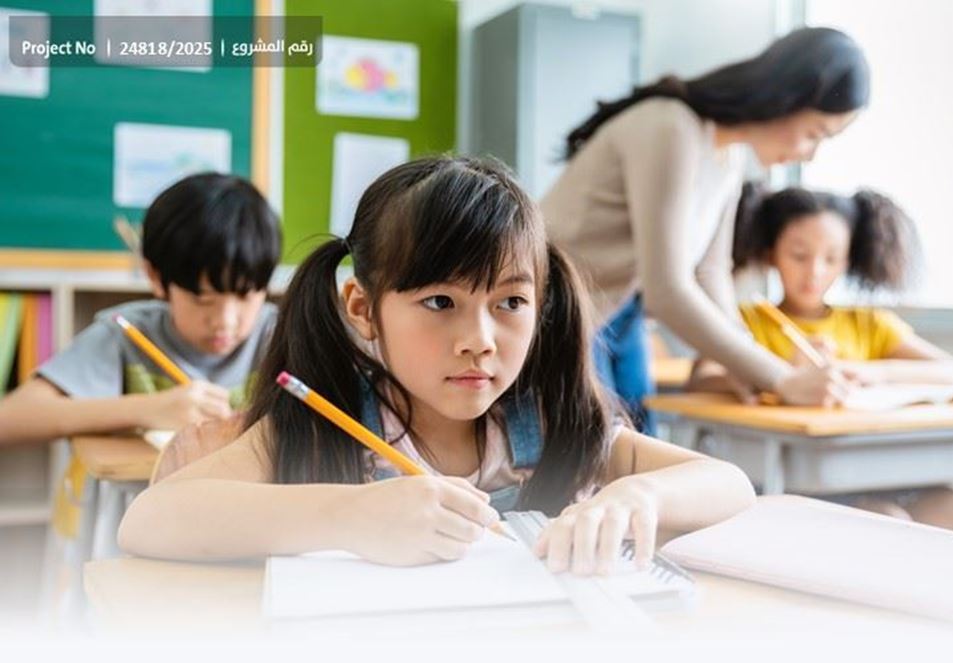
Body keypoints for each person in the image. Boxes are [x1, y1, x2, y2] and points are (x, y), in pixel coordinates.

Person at [118, 156, 755, 574]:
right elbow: (151, 520)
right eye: (440, 302)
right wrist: (351, 516)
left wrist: (635, 493)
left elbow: (731, 485)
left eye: (510, 302)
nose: (479, 339)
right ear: (364, 310)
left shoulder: (547, 419)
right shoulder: (330, 422)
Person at [542, 27, 871, 429]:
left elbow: (709, 271)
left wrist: (745, 361)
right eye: (815, 133)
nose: (811, 153)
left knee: (634, 454)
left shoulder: (728, 157)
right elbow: (667, 289)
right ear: (787, 98)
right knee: (598, 459)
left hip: (616, 312)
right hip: (556, 311)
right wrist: (781, 378)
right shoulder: (671, 128)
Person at [690, 184, 953, 534]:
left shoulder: (869, 324)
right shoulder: (749, 322)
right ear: (772, 253)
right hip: (800, 478)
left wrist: (866, 372)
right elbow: (701, 378)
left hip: (878, 466)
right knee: (887, 520)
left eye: (831, 258)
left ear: (849, 260)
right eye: (799, 256)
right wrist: (778, 376)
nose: (814, 271)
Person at [0, 172, 282, 536]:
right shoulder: (125, 334)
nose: (225, 322)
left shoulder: (280, 337)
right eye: (202, 299)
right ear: (155, 276)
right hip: (121, 529)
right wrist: (150, 409)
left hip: (233, 529)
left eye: (246, 297)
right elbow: (11, 419)